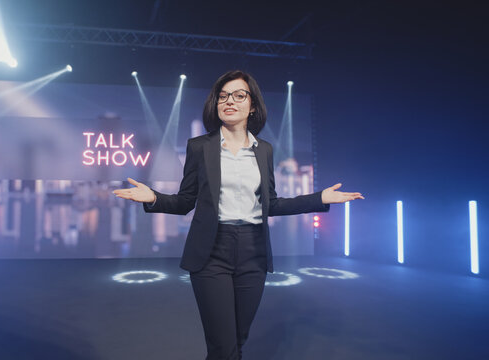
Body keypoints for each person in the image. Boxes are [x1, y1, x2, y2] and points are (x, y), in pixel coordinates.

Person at [113, 70, 364, 359]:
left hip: (253, 251)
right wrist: (154, 197)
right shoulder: (200, 147)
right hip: (211, 252)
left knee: (237, 340)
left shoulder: (264, 151)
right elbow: (185, 201)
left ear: (252, 105)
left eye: (238, 95)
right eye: (223, 96)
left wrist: (319, 198)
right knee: (223, 346)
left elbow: (274, 204)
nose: (229, 101)